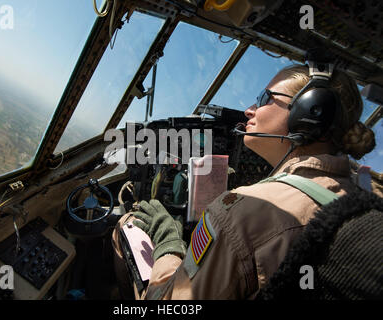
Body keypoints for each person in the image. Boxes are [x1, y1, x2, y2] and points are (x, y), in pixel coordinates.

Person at [111, 63, 376, 299]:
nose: (249, 110)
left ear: (309, 112)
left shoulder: (242, 211)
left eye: (264, 98)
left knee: (126, 225)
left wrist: (169, 241)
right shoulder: (366, 194)